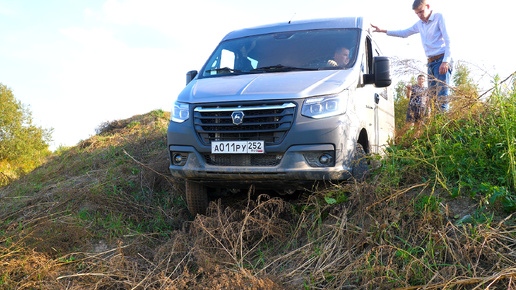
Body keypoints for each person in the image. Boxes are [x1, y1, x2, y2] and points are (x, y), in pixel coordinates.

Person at [371, 0, 452, 113]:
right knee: (433, 98)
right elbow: (404, 33)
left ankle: (444, 129)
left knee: (442, 98)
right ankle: (436, 128)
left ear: (427, 7)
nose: (420, 15)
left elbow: (449, 40)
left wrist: (446, 61)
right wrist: (383, 30)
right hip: (430, 63)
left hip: (441, 60)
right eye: (417, 13)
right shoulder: (420, 24)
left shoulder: (439, 17)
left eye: (421, 11)